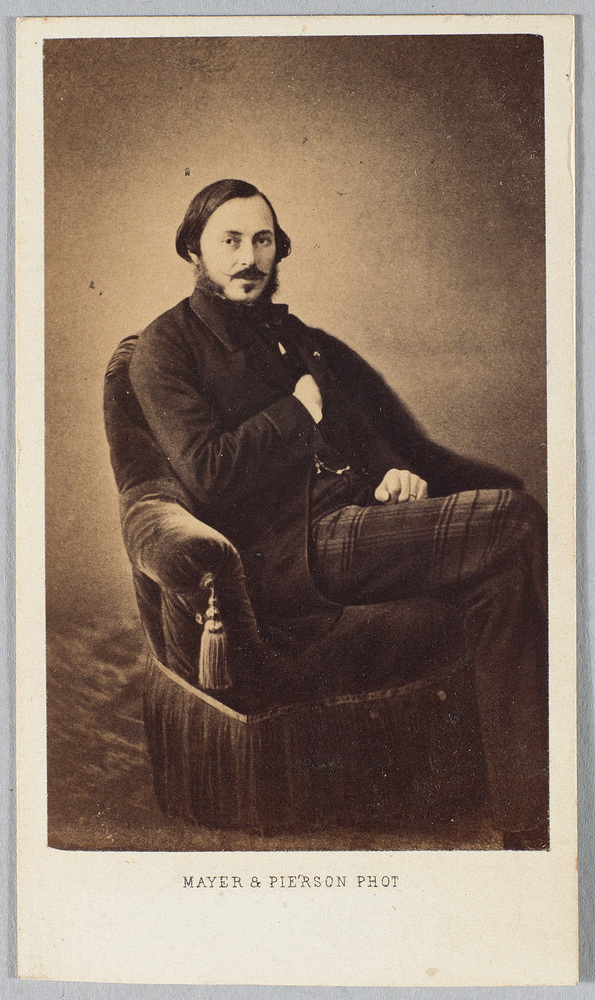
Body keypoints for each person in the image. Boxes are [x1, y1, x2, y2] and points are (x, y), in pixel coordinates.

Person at [126, 178, 548, 849]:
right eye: (230, 241)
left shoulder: (294, 337)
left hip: (356, 525)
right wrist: (296, 410)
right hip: (286, 553)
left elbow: (356, 430)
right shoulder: (165, 348)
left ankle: (529, 822)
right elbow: (208, 474)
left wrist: (391, 475)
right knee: (517, 519)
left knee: (501, 583)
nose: (248, 257)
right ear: (193, 251)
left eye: (262, 240)